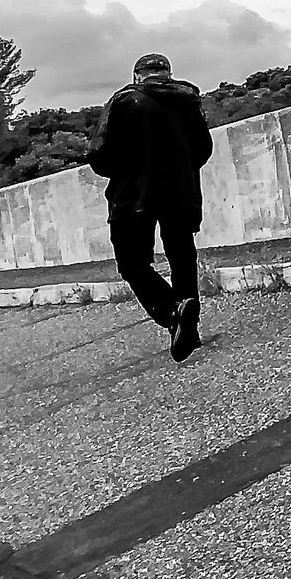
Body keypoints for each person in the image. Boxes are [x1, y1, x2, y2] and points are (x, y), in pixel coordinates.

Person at [88, 52, 214, 361]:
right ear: (168, 74)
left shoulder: (123, 100)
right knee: (182, 257)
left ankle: (172, 312)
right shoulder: (188, 101)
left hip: (133, 195)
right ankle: (189, 330)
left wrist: (127, 168)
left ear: (137, 76)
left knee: (132, 263)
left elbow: (98, 153)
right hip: (181, 192)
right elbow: (203, 149)